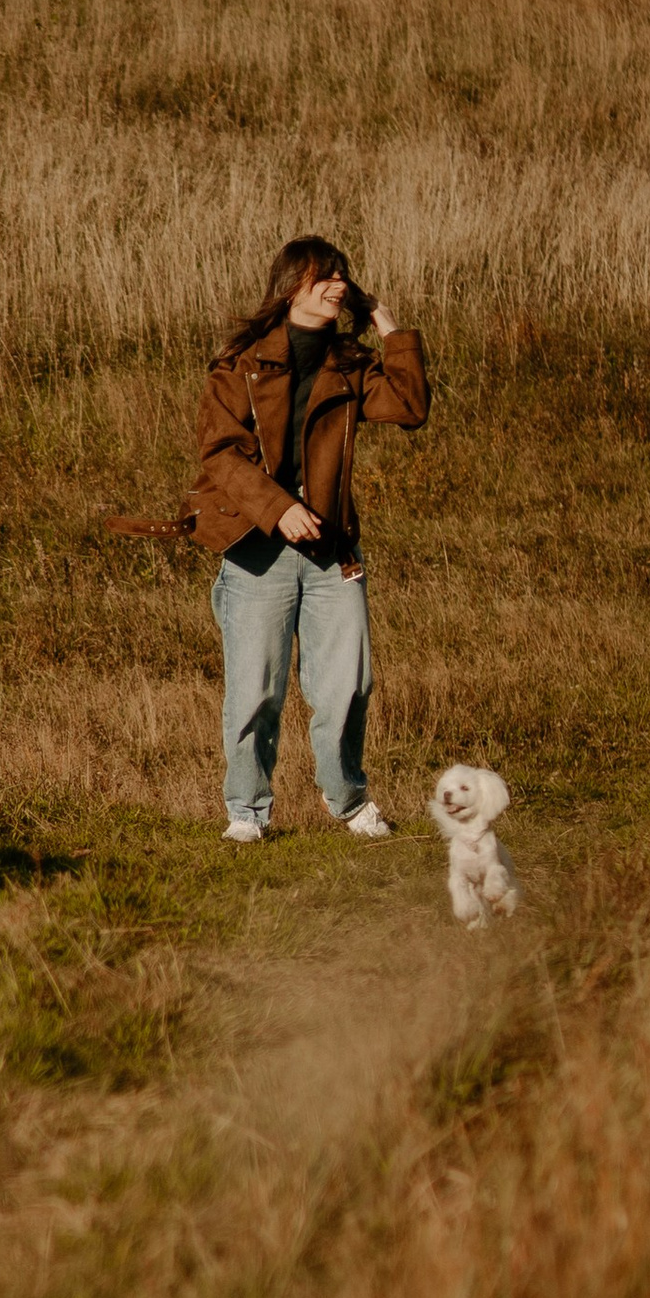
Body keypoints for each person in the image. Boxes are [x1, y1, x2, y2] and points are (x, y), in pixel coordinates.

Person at [191, 237, 430, 843]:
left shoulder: (349, 365)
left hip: (331, 553)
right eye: (326, 277)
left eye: (343, 278)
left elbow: (409, 405)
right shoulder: (240, 365)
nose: (338, 286)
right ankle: (247, 813)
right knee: (255, 689)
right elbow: (219, 454)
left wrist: (386, 321)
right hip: (256, 549)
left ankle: (348, 801)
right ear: (292, 284)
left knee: (348, 683)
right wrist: (279, 508)